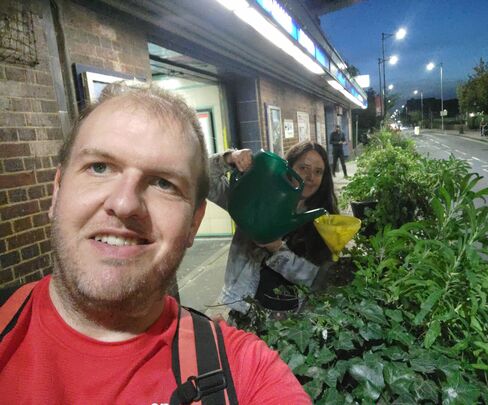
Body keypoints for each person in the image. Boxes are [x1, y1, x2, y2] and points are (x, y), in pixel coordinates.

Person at [0, 82, 311, 404]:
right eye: (99, 167)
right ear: (57, 191)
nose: (124, 203)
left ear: (194, 222)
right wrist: (230, 158)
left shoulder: (244, 371)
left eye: (163, 183)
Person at [208, 141, 339, 322]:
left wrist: (277, 249)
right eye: (303, 167)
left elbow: (319, 279)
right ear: (288, 167)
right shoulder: (257, 197)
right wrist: (230, 159)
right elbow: (204, 179)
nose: (310, 177)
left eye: (318, 172)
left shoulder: (325, 220)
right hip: (246, 311)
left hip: (292, 324)